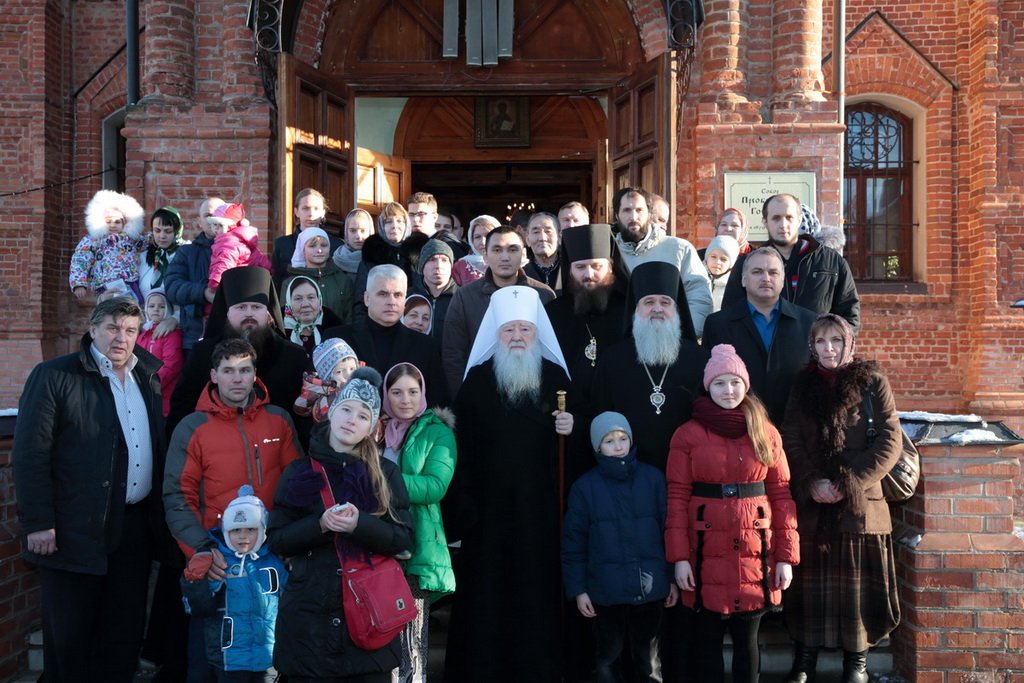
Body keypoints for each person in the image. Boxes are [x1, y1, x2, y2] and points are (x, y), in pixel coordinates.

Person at [13, 297, 165, 682]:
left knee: (122, 637)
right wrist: (38, 522)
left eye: (130, 330)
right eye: (113, 328)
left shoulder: (147, 375)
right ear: (93, 329)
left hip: (132, 529)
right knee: (70, 642)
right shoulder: (54, 376)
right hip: (72, 529)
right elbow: (30, 455)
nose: (121, 338)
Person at [444, 285, 574, 683]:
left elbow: (579, 451)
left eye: (525, 330)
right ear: (495, 334)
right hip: (488, 519)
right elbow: (459, 451)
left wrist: (574, 426)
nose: (517, 337)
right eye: (509, 331)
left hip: (542, 517)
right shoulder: (477, 383)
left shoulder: (557, 380)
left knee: (539, 601)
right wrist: (466, 510)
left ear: (538, 334)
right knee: (487, 606)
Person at [268, 368, 414, 683]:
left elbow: (403, 538)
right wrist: (319, 524)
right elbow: (277, 539)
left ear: (373, 428)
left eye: (362, 416)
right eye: (346, 409)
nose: (351, 419)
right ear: (331, 412)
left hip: (368, 625)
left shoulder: (385, 474)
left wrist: (359, 525)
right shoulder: (298, 471)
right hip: (309, 626)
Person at [665, 344, 799, 683]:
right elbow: (677, 497)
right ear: (708, 386)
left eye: (735, 382)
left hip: (756, 551)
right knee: (707, 640)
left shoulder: (765, 431)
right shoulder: (687, 434)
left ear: (746, 385)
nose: (729, 390)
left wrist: (785, 558)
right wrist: (679, 558)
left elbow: (781, 496)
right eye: (721, 383)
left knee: (747, 639)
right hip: (704, 551)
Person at [781, 314, 902, 683]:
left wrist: (851, 483)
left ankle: (857, 664)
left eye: (836, 340)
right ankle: (804, 661)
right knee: (810, 593)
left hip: (859, 505)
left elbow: (889, 439)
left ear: (850, 344)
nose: (828, 348)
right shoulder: (802, 386)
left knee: (856, 594)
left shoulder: (872, 382)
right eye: (820, 341)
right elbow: (790, 439)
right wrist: (811, 482)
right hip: (814, 505)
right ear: (812, 347)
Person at [164, 337, 302, 569]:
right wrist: (201, 549)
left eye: (244, 370)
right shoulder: (192, 428)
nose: (237, 379)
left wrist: (293, 541)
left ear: (254, 374)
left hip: (274, 548)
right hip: (219, 552)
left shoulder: (278, 420)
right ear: (214, 375)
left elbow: (298, 487)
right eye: (228, 371)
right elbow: (178, 496)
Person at [562, 411, 678, 683]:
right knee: (607, 660)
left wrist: (671, 579)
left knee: (648, 663)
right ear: (597, 447)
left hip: (649, 589)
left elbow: (669, 531)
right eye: (609, 440)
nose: (617, 445)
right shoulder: (584, 488)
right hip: (605, 591)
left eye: (622, 438)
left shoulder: (653, 479)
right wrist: (578, 590)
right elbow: (574, 544)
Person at [167, 266, 312, 439]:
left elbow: (303, 418)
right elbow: (182, 410)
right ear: (227, 312)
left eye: (256, 307)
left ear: (267, 314)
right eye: (241, 307)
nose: (249, 314)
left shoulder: (293, 357)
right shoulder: (203, 354)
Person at [592, 260, 709, 471]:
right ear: (636, 309)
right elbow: (602, 415)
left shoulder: (700, 359)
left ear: (676, 309)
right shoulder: (613, 359)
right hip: (628, 471)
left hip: (688, 470)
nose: (657, 309)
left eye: (665, 302)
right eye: (648, 302)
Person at [381, 363, 457, 683]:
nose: (405, 400)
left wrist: (381, 481)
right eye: (396, 392)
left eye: (413, 392)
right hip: (376, 545)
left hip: (418, 547)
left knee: (411, 643)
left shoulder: (437, 432)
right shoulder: (374, 429)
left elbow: (434, 486)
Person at [180, 485, 287, 683]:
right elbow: (196, 606)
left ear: (263, 529)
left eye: (251, 529)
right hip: (228, 657)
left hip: (268, 656)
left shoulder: (274, 562)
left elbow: (290, 601)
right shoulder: (218, 562)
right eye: (235, 529)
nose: (243, 536)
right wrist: (195, 580)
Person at [702, 247, 818, 425]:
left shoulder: (809, 323)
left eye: (773, 272)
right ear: (743, 279)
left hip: (796, 433)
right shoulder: (718, 324)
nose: (766, 278)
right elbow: (707, 383)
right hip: (738, 429)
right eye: (757, 272)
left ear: (782, 279)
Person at [442, 225, 555, 397]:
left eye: (512, 249)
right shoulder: (465, 297)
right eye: (496, 250)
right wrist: (462, 397)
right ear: (485, 257)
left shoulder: (543, 295)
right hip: (481, 396)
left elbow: (551, 349)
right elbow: (453, 354)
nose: (505, 257)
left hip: (534, 395)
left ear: (523, 254)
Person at [722, 194, 860, 330]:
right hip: (765, 351)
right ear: (765, 221)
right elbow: (731, 315)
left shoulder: (831, 261)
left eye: (789, 217)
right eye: (776, 218)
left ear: (799, 220)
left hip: (817, 351)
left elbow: (849, 315)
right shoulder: (748, 264)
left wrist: (835, 348)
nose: (783, 225)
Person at [324, 264, 448, 408]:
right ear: (366, 298)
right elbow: (315, 395)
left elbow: (437, 404)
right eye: (383, 294)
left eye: (398, 295)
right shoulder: (337, 339)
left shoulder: (427, 347)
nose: (391, 302)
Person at [612, 187, 713, 338]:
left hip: (672, 343)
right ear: (617, 215)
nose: (633, 216)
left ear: (649, 213)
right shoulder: (609, 253)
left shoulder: (679, 249)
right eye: (626, 210)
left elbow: (699, 297)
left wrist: (682, 335)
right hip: (622, 345)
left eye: (639, 210)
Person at [165, 197, 222, 354]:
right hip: (195, 337)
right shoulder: (186, 252)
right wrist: (203, 293)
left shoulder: (240, 249)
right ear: (199, 222)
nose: (213, 219)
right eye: (207, 215)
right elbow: (172, 287)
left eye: (218, 214)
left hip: (231, 337)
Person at [70, 189, 147, 304]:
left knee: (134, 307)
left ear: (124, 224)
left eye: (117, 222)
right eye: (108, 221)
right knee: (110, 309)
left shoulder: (130, 239)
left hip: (129, 280)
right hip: (105, 282)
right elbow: (80, 259)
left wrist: (156, 236)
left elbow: (146, 241)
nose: (113, 225)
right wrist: (79, 283)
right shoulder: (94, 239)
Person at [271, 188, 343, 290]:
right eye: (305, 208)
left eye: (316, 209)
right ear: (296, 212)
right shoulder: (282, 245)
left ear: (323, 212)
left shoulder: (336, 245)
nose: (311, 214)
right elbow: (276, 283)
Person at [283, 225, 355, 323]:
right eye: (312, 246)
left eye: (324, 245)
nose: (319, 250)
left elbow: (350, 318)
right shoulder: (291, 283)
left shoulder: (343, 280)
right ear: (303, 250)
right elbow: (286, 318)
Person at [138, 290, 184, 416]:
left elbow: (171, 366)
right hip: (144, 395)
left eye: (161, 306)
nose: (156, 309)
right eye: (151, 306)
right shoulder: (142, 335)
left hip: (163, 397)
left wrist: (152, 384)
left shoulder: (172, 334)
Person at [293, 337, 362, 424]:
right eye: (339, 371)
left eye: (352, 368)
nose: (348, 375)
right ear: (327, 378)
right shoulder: (326, 400)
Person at [207, 203, 273, 292]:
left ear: (231, 227)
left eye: (221, 225)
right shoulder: (244, 241)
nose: (216, 229)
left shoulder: (227, 243)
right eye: (215, 225)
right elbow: (263, 262)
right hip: (249, 284)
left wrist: (214, 283)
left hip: (233, 285)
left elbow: (223, 263)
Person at [281, 276, 344, 355]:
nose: (305, 304)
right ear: (289, 302)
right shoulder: (279, 333)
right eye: (298, 298)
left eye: (311, 297)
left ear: (319, 300)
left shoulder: (335, 332)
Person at [412, 238, 459, 341]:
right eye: (432, 259)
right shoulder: (409, 297)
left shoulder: (462, 298)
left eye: (444, 260)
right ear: (422, 266)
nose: (438, 266)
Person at [140, 206, 187, 303]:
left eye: (168, 231)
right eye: (157, 231)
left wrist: (175, 317)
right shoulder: (144, 257)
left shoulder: (187, 254)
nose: (162, 236)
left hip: (178, 316)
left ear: (177, 231)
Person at [452, 214, 499, 286]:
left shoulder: (508, 262)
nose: (483, 242)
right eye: (477, 237)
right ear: (471, 240)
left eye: (487, 235)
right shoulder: (460, 266)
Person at [523, 211, 562, 293]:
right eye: (536, 232)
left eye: (548, 231)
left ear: (559, 237)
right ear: (528, 239)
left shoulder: (570, 270)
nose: (542, 238)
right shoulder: (521, 275)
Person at [332, 208, 374, 279]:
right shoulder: (336, 259)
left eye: (363, 231)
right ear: (346, 232)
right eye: (352, 231)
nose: (358, 236)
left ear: (370, 232)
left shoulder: (379, 260)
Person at [703, 234, 740, 313]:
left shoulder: (734, 286)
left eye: (723, 259)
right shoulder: (696, 278)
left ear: (731, 263)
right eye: (713, 256)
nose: (717, 262)